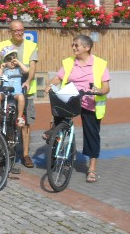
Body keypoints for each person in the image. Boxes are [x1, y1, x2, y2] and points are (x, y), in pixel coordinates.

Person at [45, 35, 110, 183]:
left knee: (92, 134)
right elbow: (58, 78)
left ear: (87, 48)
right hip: (72, 97)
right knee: (58, 116)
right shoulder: (69, 62)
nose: (73, 48)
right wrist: (50, 84)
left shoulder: (100, 63)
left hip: (89, 101)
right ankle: (54, 140)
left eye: (76, 45)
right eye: (72, 45)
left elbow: (106, 87)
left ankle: (92, 167)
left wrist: (97, 90)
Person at [0, 20, 38, 168]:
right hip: (6, 87)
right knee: (3, 122)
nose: (19, 33)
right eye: (16, 30)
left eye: (22, 30)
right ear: (10, 32)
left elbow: (32, 68)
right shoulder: (2, 45)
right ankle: (3, 153)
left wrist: (28, 81)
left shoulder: (31, 45)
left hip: (25, 89)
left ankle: (25, 155)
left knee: (25, 123)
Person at [0, 46, 29, 127]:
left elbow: (26, 70)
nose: (12, 62)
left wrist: (18, 62)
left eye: (13, 60)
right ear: (5, 62)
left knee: (21, 98)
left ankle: (19, 117)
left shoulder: (18, 69)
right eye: (9, 60)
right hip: (5, 93)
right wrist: (1, 68)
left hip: (16, 93)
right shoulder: (5, 70)